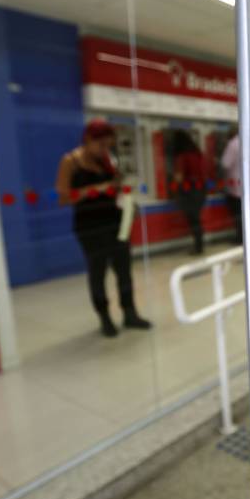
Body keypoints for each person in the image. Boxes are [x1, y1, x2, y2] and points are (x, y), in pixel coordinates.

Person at [55, 119, 152, 337]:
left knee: (124, 270)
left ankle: (130, 313)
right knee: (98, 272)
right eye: (101, 145)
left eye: (109, 146)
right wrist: (99, 188)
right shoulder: (71, 161)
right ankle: (105, 317)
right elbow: (63, 198)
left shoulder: (108, 160)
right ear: (88, 140)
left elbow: (116, 188)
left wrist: (125, 199)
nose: (105, 150)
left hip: (115, 222)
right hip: (89, 225)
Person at [171, 129, 209, 255]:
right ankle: (199, 245)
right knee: (196, 218)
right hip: (201, 189)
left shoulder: (181, 156)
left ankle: (198, 247)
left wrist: (172, 187)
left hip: (190, 191)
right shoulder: (198, 153)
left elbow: (179, 177)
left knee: (194, 220)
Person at [219, 128, 242, 244]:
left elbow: (225, 164)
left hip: (234, 187)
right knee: (243, 213)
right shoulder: (245, 141)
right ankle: (243, 236)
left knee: (237, 214)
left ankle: (239, 238)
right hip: (245, 186)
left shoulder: (232, 145)